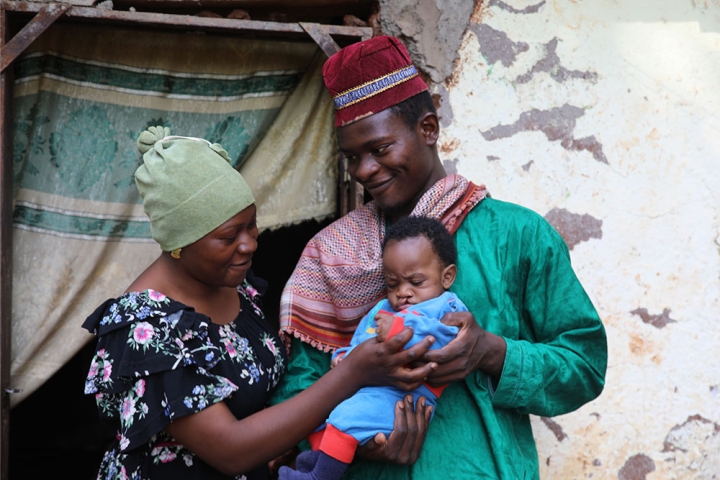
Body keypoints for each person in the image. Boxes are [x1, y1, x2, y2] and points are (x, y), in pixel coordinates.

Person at [271, 35, 608, 479]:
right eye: (352, 157)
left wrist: (490, 351)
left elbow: (583, 365)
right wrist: (360, 442)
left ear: (428, 129)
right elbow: (296, 391)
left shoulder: (517, 235)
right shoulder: (331, 255)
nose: (364, 170)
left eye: (379, 149)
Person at [81, 126, 438, 480]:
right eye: (228, 237)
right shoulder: (144, 328)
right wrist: (354, 371)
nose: (249, 244)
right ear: (178, 243)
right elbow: (230, 450)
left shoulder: (236, 286)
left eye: (251, 226)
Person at [279, 216, 467, 480]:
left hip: (406, 397)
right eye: (393, 284)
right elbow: (360, 342)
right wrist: (344, 357)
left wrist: (397, 329)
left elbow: (445, 339)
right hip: (371, 388)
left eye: (416, 282)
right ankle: (314, 463)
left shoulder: (446, 306)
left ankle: (319, 477)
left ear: (447, 276)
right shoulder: (382, 309)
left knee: (347, 419)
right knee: (320, 417)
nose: (403, 292)